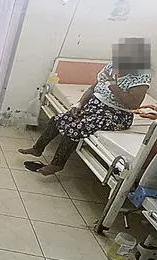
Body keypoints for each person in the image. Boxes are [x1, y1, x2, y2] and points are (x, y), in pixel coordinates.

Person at [19, 37, 153, 175]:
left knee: (75, 128)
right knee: (58, 119)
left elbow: (133, 104)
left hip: (115, 116)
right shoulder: (111, 67)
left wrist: (113, 84)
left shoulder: (141, 78)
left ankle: (57, 164)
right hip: (93, 107)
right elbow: (92, 89)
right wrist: (79, 104)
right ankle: (37, 149)